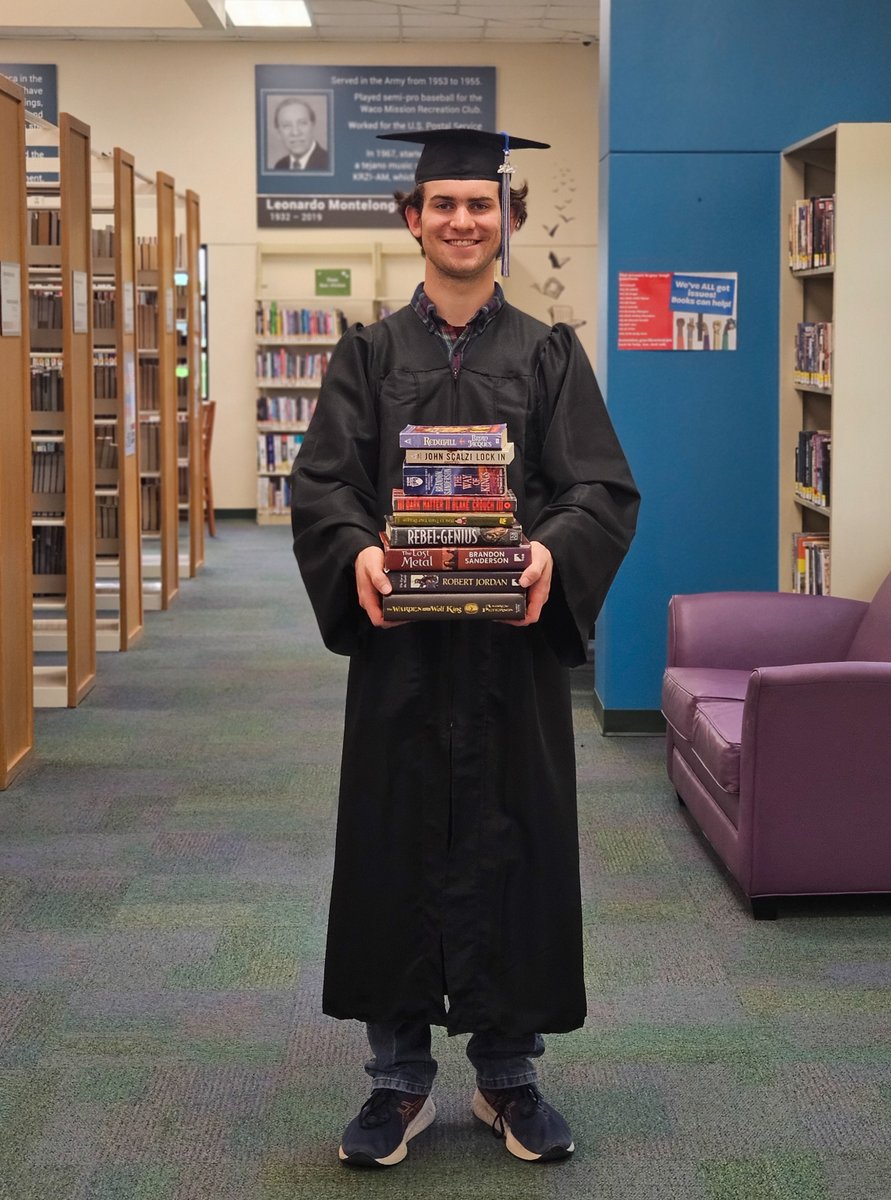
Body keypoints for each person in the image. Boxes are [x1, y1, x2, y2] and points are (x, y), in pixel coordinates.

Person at [290, 126, 639, 1169]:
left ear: (508, 222)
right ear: (413, 218)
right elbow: (322, 486)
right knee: (396, 846)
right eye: (443, 203)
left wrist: (551, 555)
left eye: (480, 206)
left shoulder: (547, 353)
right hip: (404, 658)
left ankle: (509, 1079)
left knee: (512, 843)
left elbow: (600, 489)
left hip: (507, 663)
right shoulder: (366, 355)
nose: (461, 220)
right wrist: (352, 549)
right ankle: (396, 1086)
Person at [272, 97, 328, 171]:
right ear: (278, 133)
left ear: (313, 126)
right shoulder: (280, 166)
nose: (295, 132)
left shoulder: (329, 163)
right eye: (287, 125)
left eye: (302, 123)